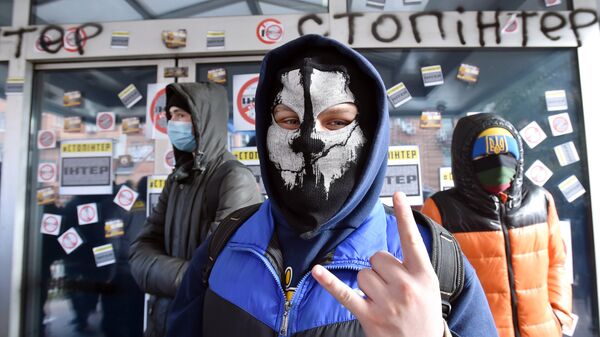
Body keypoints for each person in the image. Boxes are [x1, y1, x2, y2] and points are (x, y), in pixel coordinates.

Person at [166, 34, 497, 337]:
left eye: (337, 122)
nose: (308, 139)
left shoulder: (433, 260)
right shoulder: (225, 244)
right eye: (288, 121)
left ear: (373, 137)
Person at [129, 82, 263, 337]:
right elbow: (139, 251)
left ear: (204, 120)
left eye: (180, 115)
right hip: (164, 323)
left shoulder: (234, 179)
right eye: (170, 116)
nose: (173, 123)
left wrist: (161, 275)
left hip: (204, 325)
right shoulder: (178, 179)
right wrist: (188, 277)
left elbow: (223, 271)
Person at [422, 113, 573, 337]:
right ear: (465, 159)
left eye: (507, 153)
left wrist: (559, 315)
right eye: (485, 154)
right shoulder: (442, 209)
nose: (499, 162)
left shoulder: (540, 201)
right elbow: (429, 280)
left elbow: (557, 263)